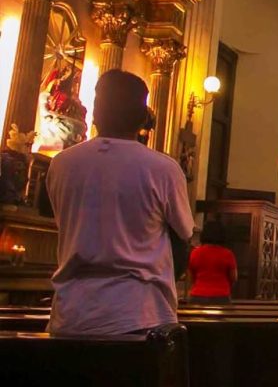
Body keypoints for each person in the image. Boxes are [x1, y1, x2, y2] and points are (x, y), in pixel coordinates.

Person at [47, 70, 194, 336]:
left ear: (95, 111)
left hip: (71, 314)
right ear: (142, 116)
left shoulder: (61, 164)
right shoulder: (162, 169)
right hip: (139, 313)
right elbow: (183, 237)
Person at [188, 219, 237, 304]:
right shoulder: (227, 254)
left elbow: (191, 276)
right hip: (221, 296)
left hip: (198, 295)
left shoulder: (195, 253)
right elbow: (234, 277)